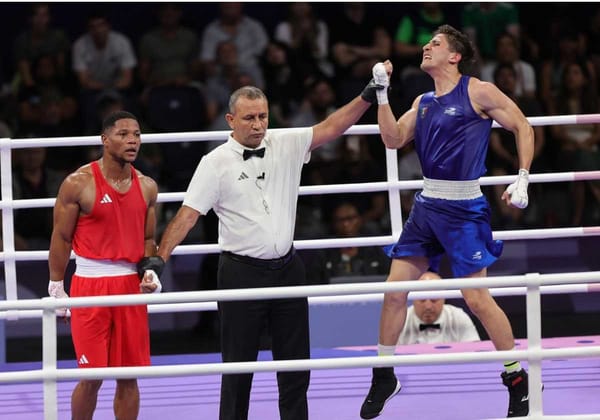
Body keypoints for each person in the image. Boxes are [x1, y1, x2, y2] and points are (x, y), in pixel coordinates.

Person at [151, 83, 378, 420]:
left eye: (262, 117)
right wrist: (158, 260)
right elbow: (187, 215)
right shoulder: (214, 163)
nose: (258, 124)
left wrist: (366, 96)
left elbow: (333, 126)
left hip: (288, 269)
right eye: (249, 118)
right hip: (241, 274)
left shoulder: (286, 143)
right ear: (230, 120)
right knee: (238, 367)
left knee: (296, 365)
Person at [359, 25, 534, 419]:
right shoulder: (421, 101)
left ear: (454, 56)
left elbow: (523, 125)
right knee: (394, 292)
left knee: (476, 298)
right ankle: (384, 374)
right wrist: (382, 94)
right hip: (426, 207)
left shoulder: (478, 91)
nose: (426, 47)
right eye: (427, 43)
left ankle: (516, 378)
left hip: (463, 208)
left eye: (435, 44)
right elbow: (392, 139)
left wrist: (522, 176)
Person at [47, 110, 163, 420]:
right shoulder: (78, 183)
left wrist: (149, 271)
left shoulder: (148, 186)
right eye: (123, 134)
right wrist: (56, 287)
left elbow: (148, 238)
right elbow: (60, 237)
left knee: (128, 376)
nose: (132, 140)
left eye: (136, 134)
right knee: (91, 375)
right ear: (104, 139)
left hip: (129, 287)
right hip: (90, 285)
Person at [397, 271, 480, 345]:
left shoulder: (458, 316)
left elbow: (475, 351)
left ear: (444, 299)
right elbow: (389, 356)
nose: (428, 306)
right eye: (422, 300)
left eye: (434, 300)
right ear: (413, 299)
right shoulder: (400, 321)